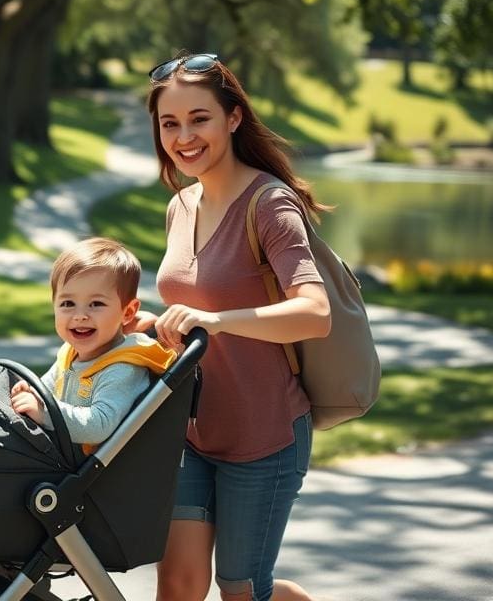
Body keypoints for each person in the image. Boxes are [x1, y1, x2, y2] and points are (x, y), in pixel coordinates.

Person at [138, 53, 332, 601]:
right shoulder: (180, 205)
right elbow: (191, 304)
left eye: (199, 118)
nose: (183, 136)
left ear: (233, 118)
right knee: (176, 585)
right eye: (169, 123)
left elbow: (316, 314)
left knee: (243, 591)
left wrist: (218, 322)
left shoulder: (270, 204)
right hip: (193, 431)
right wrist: (156, 327)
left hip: (265, 436)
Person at [11, 237, 176, 454]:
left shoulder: (122, 368)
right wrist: (30, 392)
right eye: (67, 304)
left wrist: (44, 413)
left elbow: (99, 425)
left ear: (127, 313)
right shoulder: (69, 353)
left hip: (89, 474)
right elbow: (47, 389)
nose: (80, 316)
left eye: (96, 304)